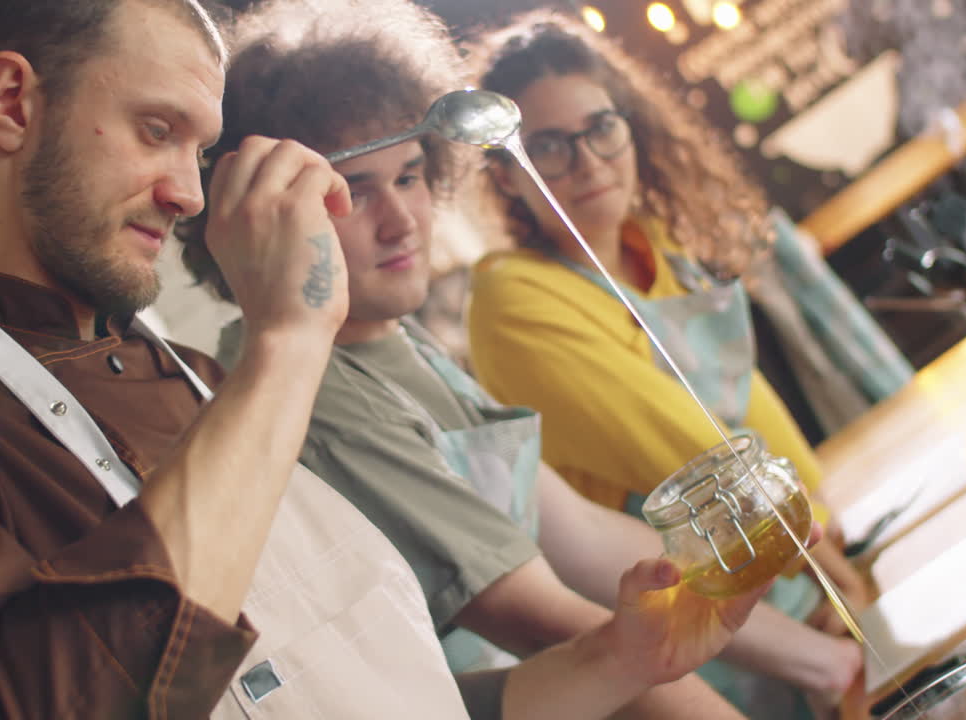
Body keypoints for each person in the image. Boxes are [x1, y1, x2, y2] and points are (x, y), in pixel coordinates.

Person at [0, 1, 770, 718]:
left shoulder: (199, 380)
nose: (188, 193)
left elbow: (378, 696)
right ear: (11, 103)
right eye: (156, 130)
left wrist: (619, 658)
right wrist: (289, 343)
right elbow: (64, 701)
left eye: (199, 152)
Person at [178, 2, 850, 718]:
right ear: (259, 214)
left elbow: (579, 535)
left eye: (409, 177)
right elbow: (541, 618)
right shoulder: (311, 388)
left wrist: (828, 660)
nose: (402, 222)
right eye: (354, 193)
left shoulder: (391, 337)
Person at [463, 11, 875, 718]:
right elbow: (688, 449)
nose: (589, 162)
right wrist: (822, 563)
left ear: (630, 125)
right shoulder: (511, 299)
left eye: (601, 128)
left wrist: (831, 539)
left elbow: (749, 407)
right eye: (549, 147)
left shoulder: (656, 248)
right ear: (506, 175)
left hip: (808, 576)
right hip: (719, 651)